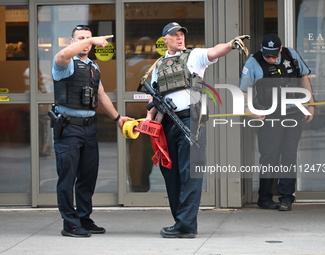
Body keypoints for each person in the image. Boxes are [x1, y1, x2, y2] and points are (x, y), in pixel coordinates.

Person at [145, 22, 249, 238]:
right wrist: (149, 119)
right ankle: (180, 221)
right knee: (171, 174)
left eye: (182, 33)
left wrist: (230, 44)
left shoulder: (194, 56)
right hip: (166, 124)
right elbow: (154, 96)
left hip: (191, 121)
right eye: (174, 34)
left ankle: (186, 226)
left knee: (191, 174)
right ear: (165, 39)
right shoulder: (158, 65)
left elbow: (214, 51)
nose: (180, 37)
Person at [51, 25, 133, 237]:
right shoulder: (64, 63)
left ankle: (84, 219)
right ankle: (70, 223)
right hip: (69, 129)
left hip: (89, 129)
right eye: (81, 38)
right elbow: (62, 54)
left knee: (88, 177)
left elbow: (102, 95)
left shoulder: (93, 67)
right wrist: (92, 40)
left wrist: (117, 118)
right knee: (67, 178)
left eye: (88, 38)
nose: (86, 42)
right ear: (72, 41)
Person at [240, 34, 315, 211]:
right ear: (261, 49)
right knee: (269, 156)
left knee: (289, 154)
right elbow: (244, 92)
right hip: (269, 113)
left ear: (280, 49)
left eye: (274, 55)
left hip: (293, 111)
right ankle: (264, 198)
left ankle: (286, 198)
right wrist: (250, 112)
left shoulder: (292, 56)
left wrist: (311, 105)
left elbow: (304, 77)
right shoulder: (253, 63)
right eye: (267, 56)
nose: (271, 59)